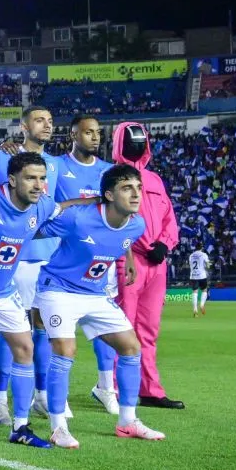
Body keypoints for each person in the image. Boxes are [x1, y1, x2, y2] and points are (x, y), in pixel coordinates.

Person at [0, 152, 92, 451]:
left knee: (25, 349)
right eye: (31, 178)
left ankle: (20, 426)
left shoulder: (42, 205)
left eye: (42, 178)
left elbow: (64, 207)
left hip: (2, 290)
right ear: (12, 180)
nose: (39, 185)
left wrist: (96, 202)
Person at [35, 164, 166, 448]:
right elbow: (36, 228)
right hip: (58, 288)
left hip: (94, 293)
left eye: (138, 188)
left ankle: (127, 421)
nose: (136, 194)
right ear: (108, 194)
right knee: (65, 350)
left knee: (131, 346)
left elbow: (122, 240)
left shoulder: (137, 224)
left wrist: (129, 259)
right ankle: (58, 426)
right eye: (127, 188)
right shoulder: (79, 218)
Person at [0, 106, 65, 423]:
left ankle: (41, 397)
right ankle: (0, 401)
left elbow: (56, 208)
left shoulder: (55, 165)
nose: (47, 124)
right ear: (23, 126)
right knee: (11, 328)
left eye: (49, 120)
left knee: (44, 329)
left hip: (48, 256)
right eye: (39, 120)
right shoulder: (2, 157)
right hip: (13, 255)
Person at [112, 122, 183, 409]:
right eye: (132, 140)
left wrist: (165, 244)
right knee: (123, 326)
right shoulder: (111, 176)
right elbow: (116, 218)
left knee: (149, 328)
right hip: (127, 258)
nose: (137, 145)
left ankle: (150, 389)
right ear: (120, 142)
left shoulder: (154, 180)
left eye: (142, 140)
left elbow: (170, 217)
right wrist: (145, 246)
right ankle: (117, 390)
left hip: (157, 262)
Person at [54, 115, 120, 415]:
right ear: (73, 134)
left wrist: (127, 255)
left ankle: (106, 387)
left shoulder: (109, 172)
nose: (95, 137)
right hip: (62, 260)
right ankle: (54, 393)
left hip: (100, 260)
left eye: (98, 132)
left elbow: (120, 219)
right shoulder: (56, 167)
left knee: (102, 326)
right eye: (88, 132)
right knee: (57, 331)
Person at [188, 245, 210, 317]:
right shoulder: (204, 254)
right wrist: (208, 266)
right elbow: (208, 265)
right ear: (202, 248)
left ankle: (195, 310)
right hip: (202, 275)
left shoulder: (191, 255)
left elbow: (190, 265)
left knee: (195, 291)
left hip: (193, 275)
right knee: (204, 290)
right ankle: (202, 304)